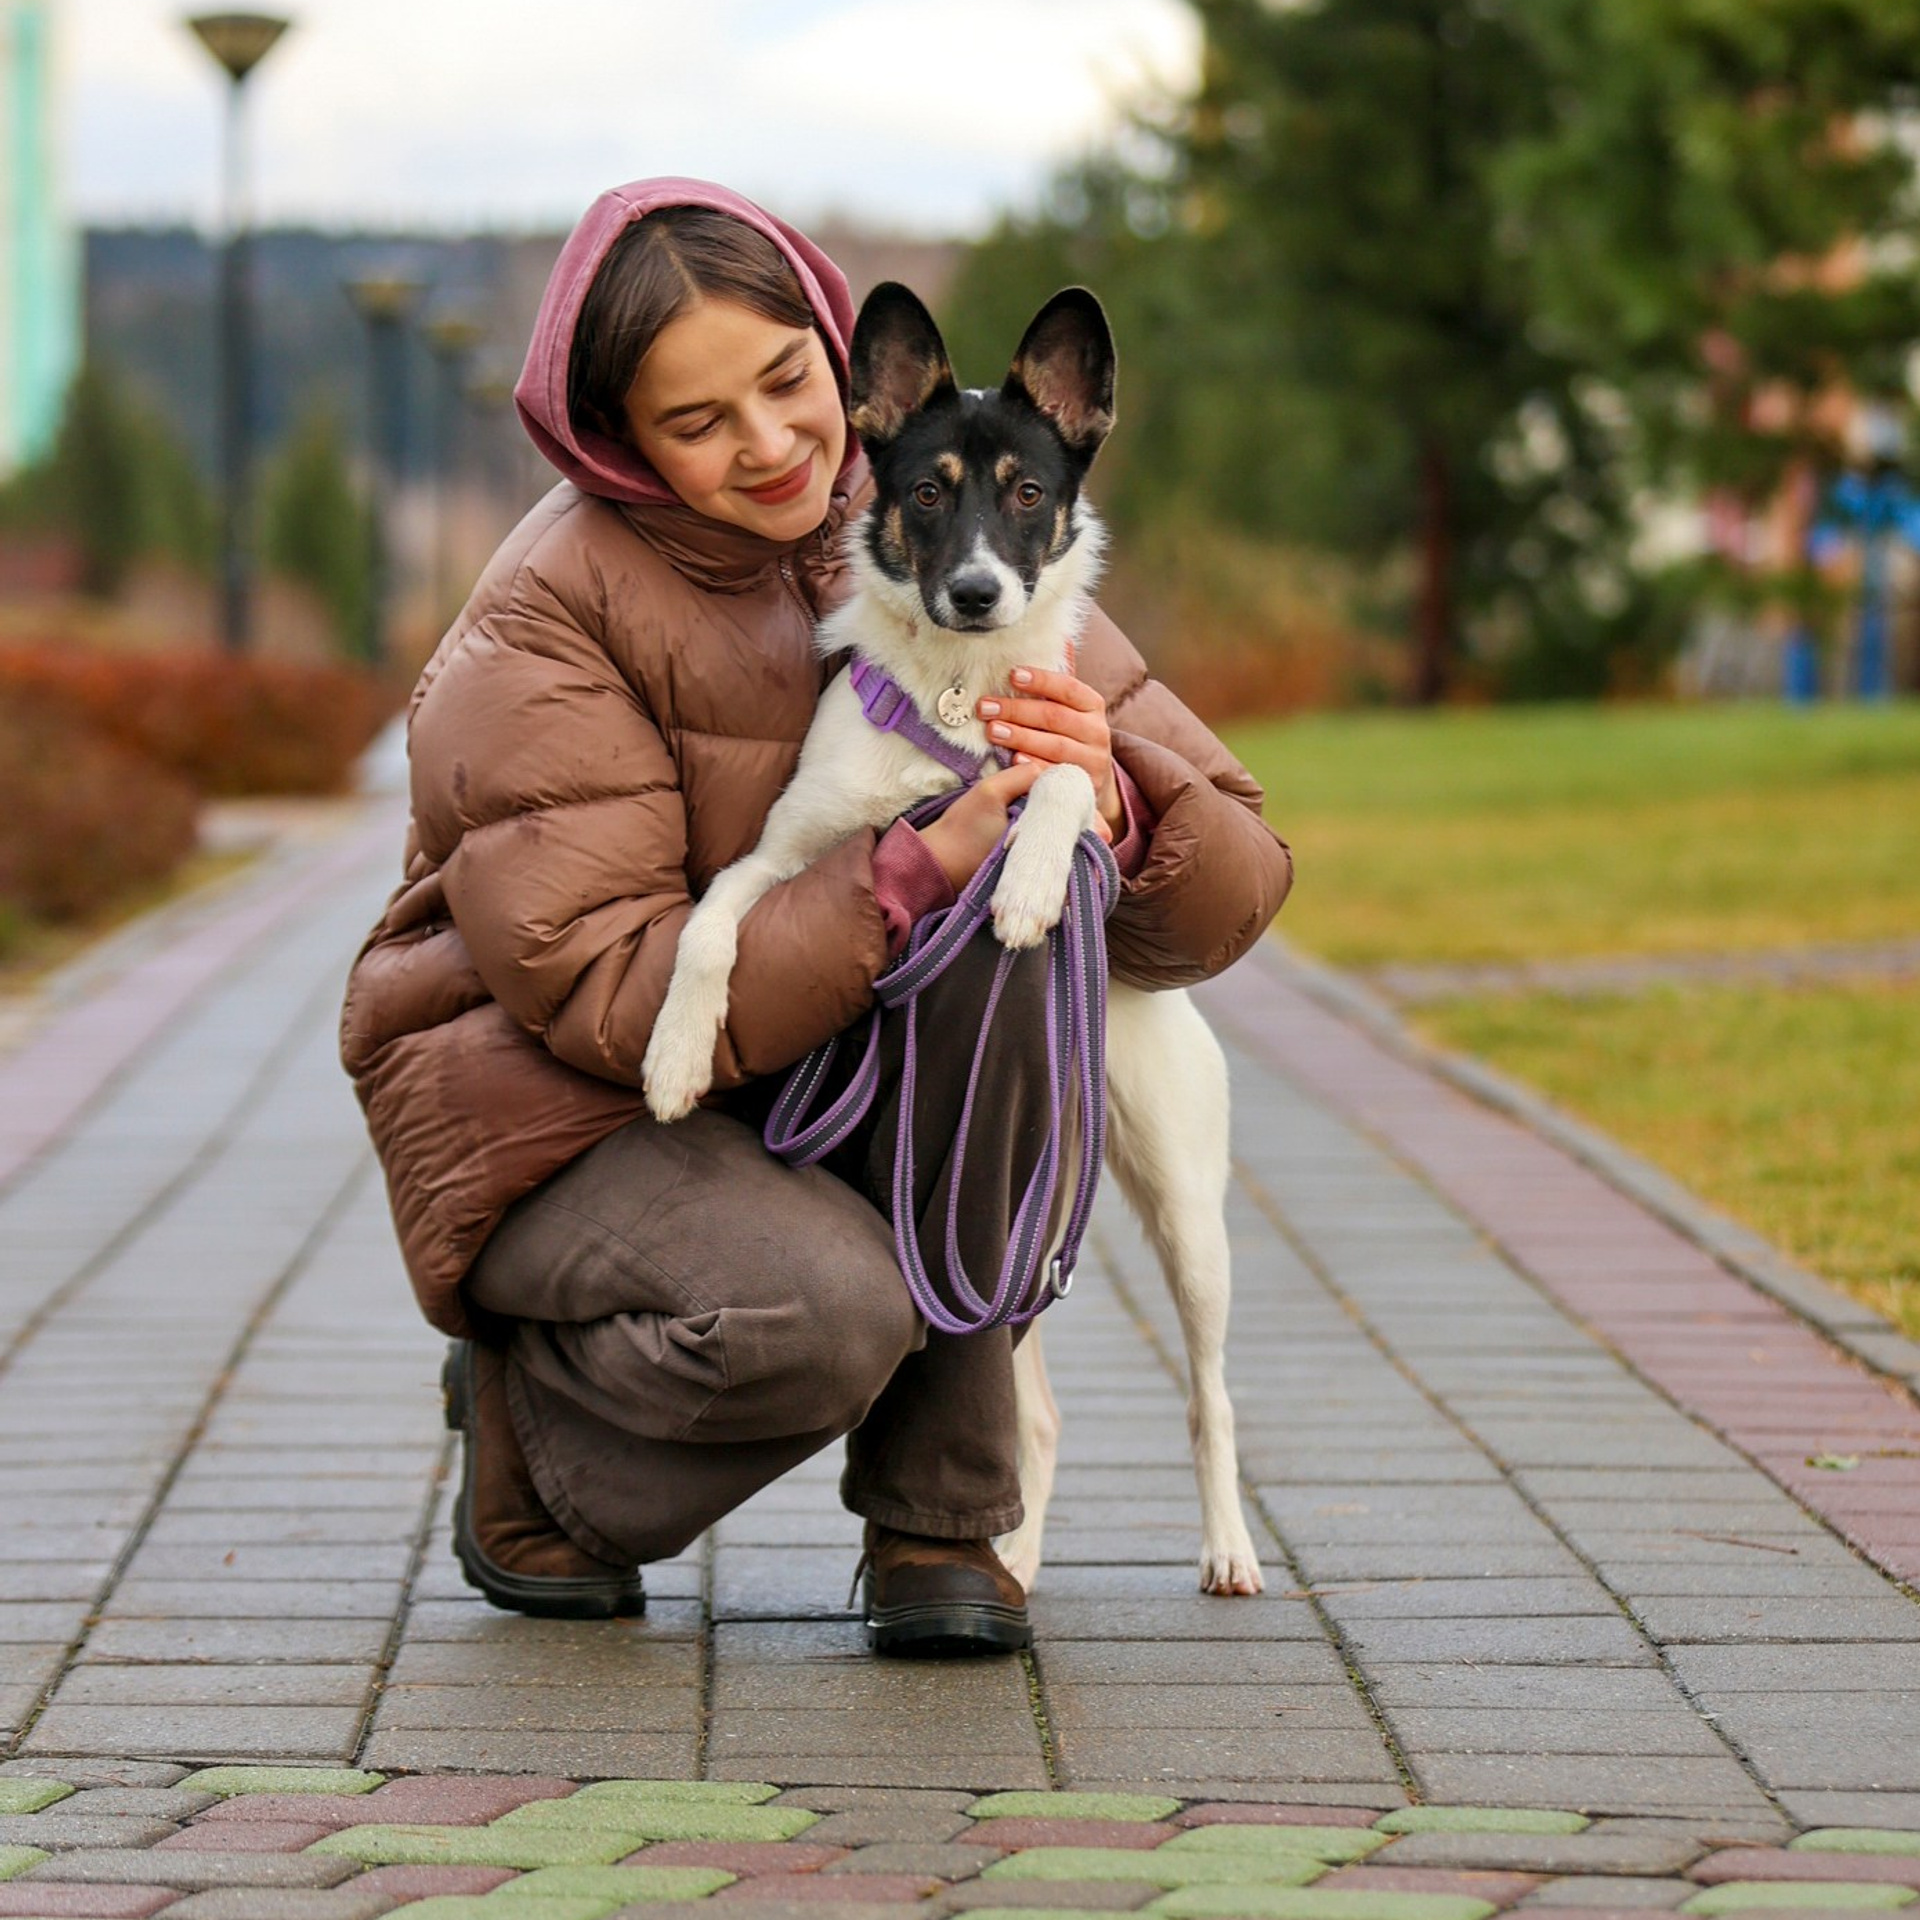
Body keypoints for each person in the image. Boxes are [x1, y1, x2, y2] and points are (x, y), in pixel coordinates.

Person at [339, 176, 1291, 1657]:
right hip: (560, 1111)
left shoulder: (952, 536)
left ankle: (943, 1514)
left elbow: (1239, 876)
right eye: (697, 421)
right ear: (619, 444)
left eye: (788, 383)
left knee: (1001, 950)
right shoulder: (549, 612)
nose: (772, 442)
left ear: (849, 373)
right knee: (832, 1311)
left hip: (804, 1075)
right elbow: (604, 992)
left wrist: (1118, 804)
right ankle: (531, 1447)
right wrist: (915, 864)